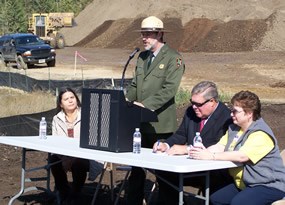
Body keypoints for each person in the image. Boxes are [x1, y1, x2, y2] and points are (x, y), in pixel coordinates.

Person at [125, 16, 185, 205]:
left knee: (164, 172)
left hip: (160, 124)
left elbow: (169, 89)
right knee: (137, 169)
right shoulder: (142, 57)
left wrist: (147, 104)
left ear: (160, 34)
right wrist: (126, 101)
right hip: (139, 123)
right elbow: (135, 84)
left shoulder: (173, 58)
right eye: (143, 34)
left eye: (149, 34)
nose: (144, 38)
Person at [189, 90, 285, 205]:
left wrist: (211, 156)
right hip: (245, 183)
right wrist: (200, 152)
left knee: (239, 203)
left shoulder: (261, 134)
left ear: (249, 113)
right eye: (232, 110)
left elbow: (242, 156)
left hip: (268, 185)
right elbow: (220, 146)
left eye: (235, 111)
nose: (231, 114)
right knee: (216, 198)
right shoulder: (234, 128)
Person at [153, 81, 233, 205]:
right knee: (163, 172)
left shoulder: (227, 117)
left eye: (198, 104)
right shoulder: (191, 112)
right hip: (190, 166)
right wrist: (166, 145)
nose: (194, 107)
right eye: (192, 102)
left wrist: (187, 149)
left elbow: (218, 146)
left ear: (212, 101)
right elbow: (181, 134)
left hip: (215, 170)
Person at [50, 87, 103, 204]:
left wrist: (72, 157)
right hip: (64, 156)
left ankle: (74, 196)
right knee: (53, 159)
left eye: (72, 97)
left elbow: (92, 142)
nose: (70, 101)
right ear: (61, 104)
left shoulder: (88, 115)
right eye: (66, 99)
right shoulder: (56, 119)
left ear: (76, 99)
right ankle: (64, 193)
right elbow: (55, 143)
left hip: (87, 156)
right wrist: (65, 158)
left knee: (78, 162)